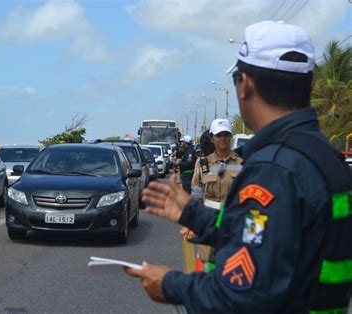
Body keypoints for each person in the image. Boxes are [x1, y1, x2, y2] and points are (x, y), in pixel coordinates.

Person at [126, 20, 352, 313]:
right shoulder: (326, 156)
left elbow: (244, 295)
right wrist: (192, 213)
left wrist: (170, 285)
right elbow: (276, 240)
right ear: (310, 84)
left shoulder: (274, 169)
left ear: (244, 85)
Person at [189, 119, 243, 266]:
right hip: (208, 220)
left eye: (226, 134)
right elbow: (196, 194)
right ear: (212, 138)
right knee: (207, 261)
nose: (223, 138)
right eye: (219, 135)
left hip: (232, 220)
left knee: (231, 262)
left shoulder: (241, 163)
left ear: (231, 137)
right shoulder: (203, 163)